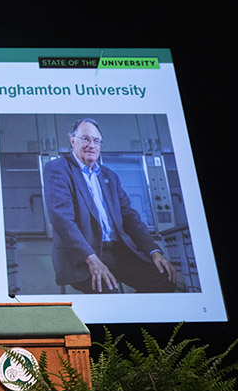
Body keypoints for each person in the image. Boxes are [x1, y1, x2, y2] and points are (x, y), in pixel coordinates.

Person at [43, 118, 176, 294]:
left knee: (163, 278)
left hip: (120, 251)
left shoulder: (109, 176)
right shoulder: (58, 169)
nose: (91, 145)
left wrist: (153, 251)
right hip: (85, 255)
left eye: (96, 141)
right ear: (72, 140)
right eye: (85, 139)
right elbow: (62, 220)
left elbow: (130, 217)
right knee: (109, 293)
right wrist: (91, 259)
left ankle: (138, 320)